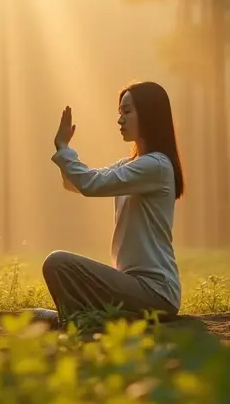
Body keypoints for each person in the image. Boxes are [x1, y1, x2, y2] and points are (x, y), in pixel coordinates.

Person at [43, 81, 185, 326]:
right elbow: (76, 184)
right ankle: (80, 319)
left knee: (58, 263)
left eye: (127, 112)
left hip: (155, 291)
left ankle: (78, 321)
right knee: (60, 267)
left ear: (149, 114)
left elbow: (90, 183)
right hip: (132, 284)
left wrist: (64, 149)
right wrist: (63, 153)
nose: (120, 120)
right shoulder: (132, 164)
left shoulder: (156, 165)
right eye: (119, 112)